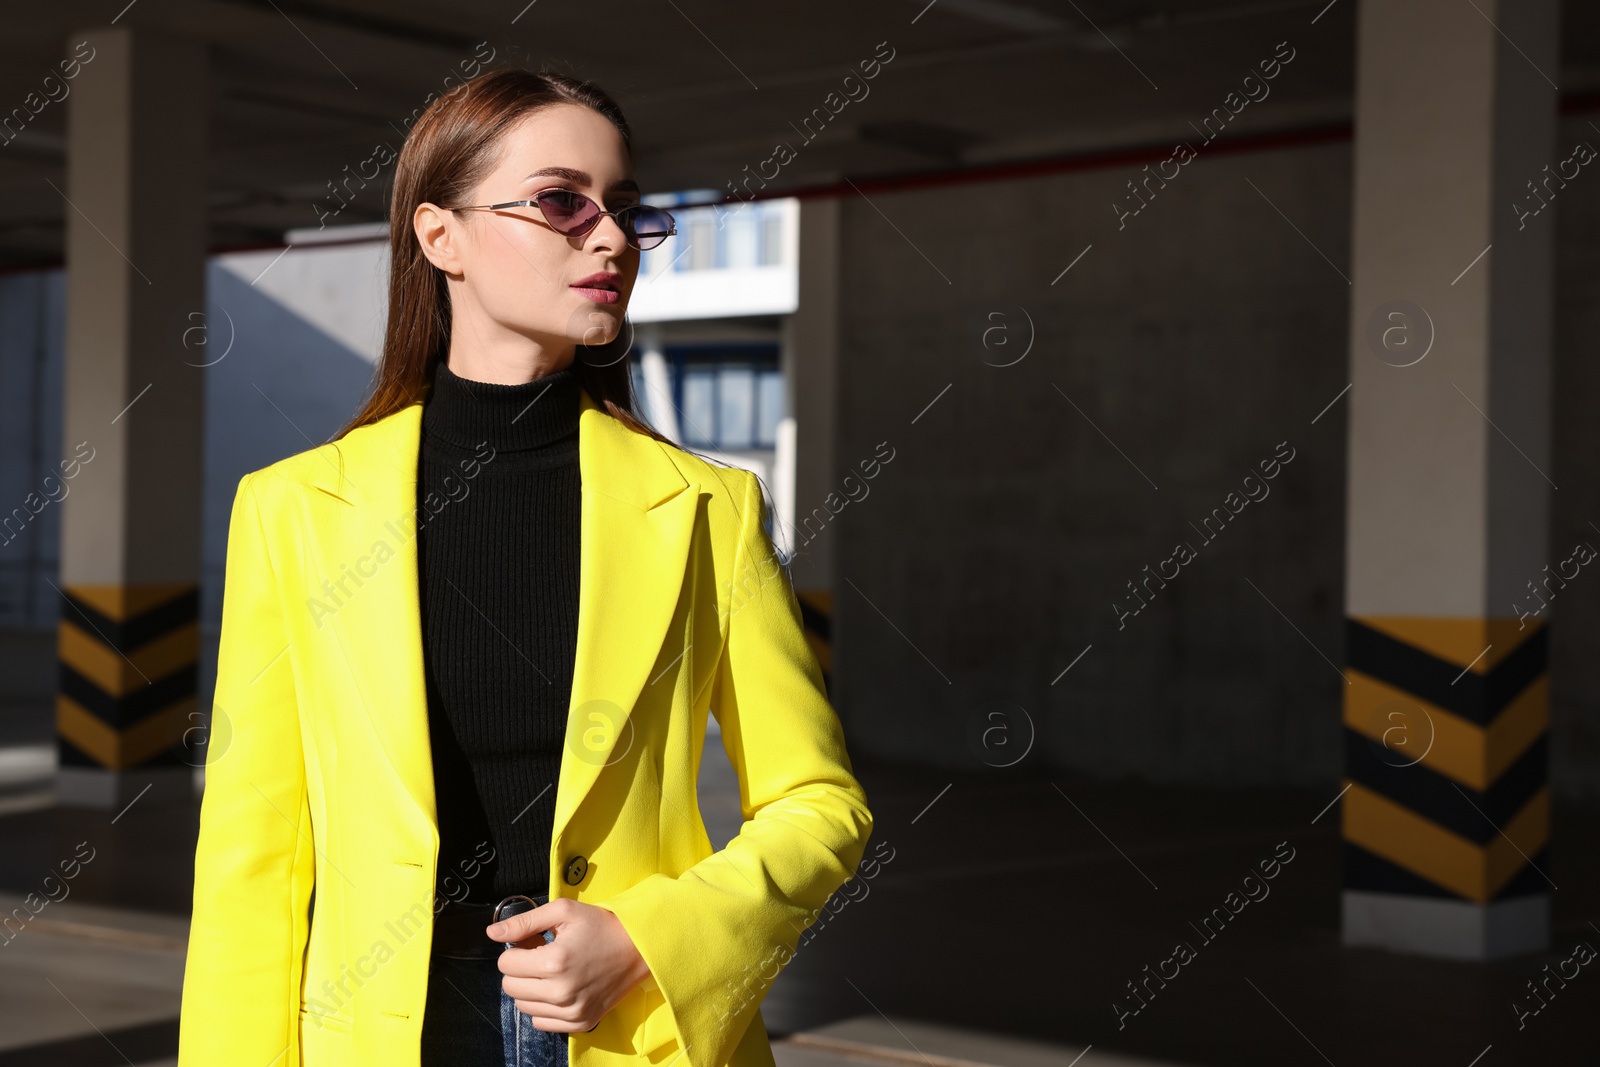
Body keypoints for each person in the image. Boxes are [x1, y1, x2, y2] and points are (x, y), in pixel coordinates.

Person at [177, 69, 873, 1067]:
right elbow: (251, 861)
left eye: (626, 210)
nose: (610, 237)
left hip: (624, 1031)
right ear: (439, 235)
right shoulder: (295, 511)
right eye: (561, 202)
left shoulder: (705, 510)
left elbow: (820, 803)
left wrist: (648, 937)